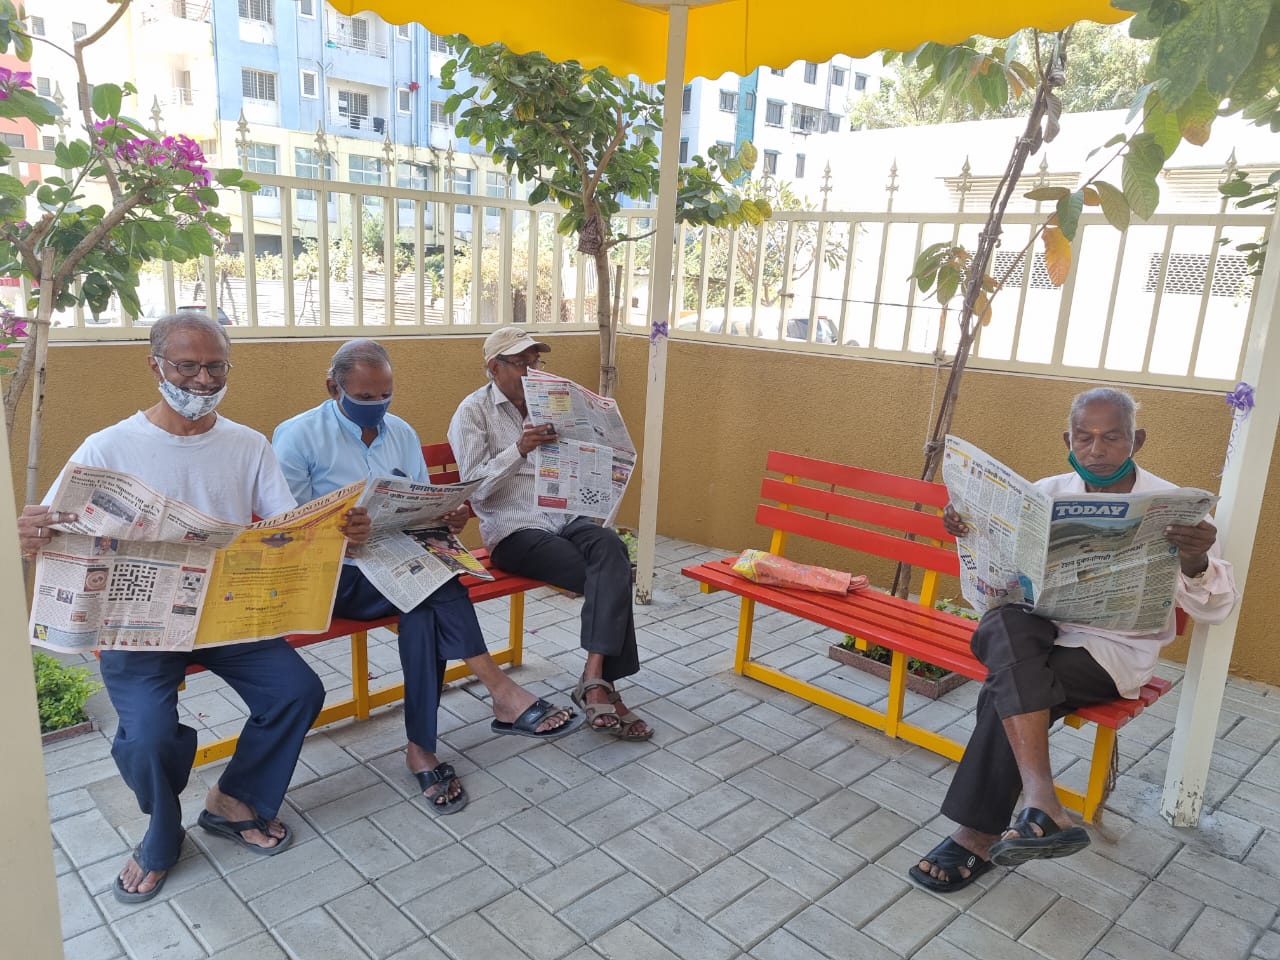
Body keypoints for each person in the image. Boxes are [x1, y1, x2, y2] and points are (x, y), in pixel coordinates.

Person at [18, 314, 368, 904]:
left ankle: (234, 799)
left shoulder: (247, 444)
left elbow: (284, 527)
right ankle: (161, 832)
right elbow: (56, 530)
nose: (203, 380)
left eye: (215, 366)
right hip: (138, 626)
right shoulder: (107, 446)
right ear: (155, 366)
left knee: (297, 692)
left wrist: (340, 533)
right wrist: (30, 535)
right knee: (148, 738)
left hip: (226, 614)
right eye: (187, 366)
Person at [909, 387, 1238, 893]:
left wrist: (1194, 560)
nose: (1096, 450)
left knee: (1007, 686)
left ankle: (983, 833)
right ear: (1068, 440)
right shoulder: (1047, 494)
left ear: (1137, 440)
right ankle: (1041, 804)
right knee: (1002, 626)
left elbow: (1216, 608)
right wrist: (967, 529)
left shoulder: (1173, 507)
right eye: (1084, 437)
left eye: (1111, 438)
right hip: (1041, 628)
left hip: (1110, 650)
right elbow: (997, 579)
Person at [272, 339, 581, 815]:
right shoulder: (298, 437)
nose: (378, 406)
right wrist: (338, 535)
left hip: (399, 563)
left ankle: (423, 749)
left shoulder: (399, 432)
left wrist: (446, 518)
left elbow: (416, 506)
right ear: (333, 387)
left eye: (385, 395)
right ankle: (497, 693)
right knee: (432, 588)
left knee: (422, 608)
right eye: (365, 397)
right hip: (336, 575)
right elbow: (286, 530)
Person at [448, 327, 653, 741]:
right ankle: (602, 688)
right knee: (608, 576)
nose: (531, 370)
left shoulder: (553, 404)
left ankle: (594, 676)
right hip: (513, 529)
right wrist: (519, 449)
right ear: (494, 367)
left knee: (611, 548)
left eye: (535, 361)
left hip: (564, 516)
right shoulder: (473, 412)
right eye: (521, 363)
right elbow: (473, 488)